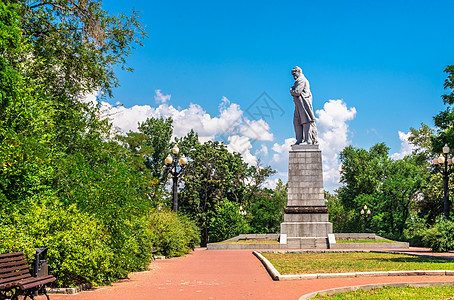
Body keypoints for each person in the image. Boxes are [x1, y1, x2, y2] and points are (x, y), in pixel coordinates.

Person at [290, 66, 318, 145]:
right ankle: (299, 139)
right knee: (297, 121)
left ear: (298, 72)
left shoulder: (301, 80)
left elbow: (297, 92)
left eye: (294, 73)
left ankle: (308, 140)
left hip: (304, 103)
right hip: (298, 104)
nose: (293, 76)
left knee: (306, 121)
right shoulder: (299, 80)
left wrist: (291, 90)